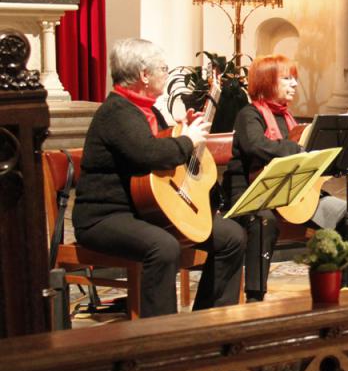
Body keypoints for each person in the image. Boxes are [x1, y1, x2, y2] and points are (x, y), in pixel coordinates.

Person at [73, 38, 245, 318]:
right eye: (163, 68)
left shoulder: (148, 110)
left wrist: (181, 129)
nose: (166, 74)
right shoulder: (116, 112)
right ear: (144, 75)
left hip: (147, 213)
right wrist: (186, 141)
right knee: (163, 246)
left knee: (231, 236)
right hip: (106, 217)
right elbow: (148, 154)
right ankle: (159, 337)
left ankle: (209, 322)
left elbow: (165, 148)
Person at [223, 54, 348, 302]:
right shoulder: (248, 114)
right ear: (266, 81)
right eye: (287, 78)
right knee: (264, 221)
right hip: (251, 196)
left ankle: (344, 286)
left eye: (294, 78)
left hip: (292, 194)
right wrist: (301, 152)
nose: (295, 84)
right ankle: (255, 296)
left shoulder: (289, 119)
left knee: (345, 213)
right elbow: (256, 145)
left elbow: (306, 161)